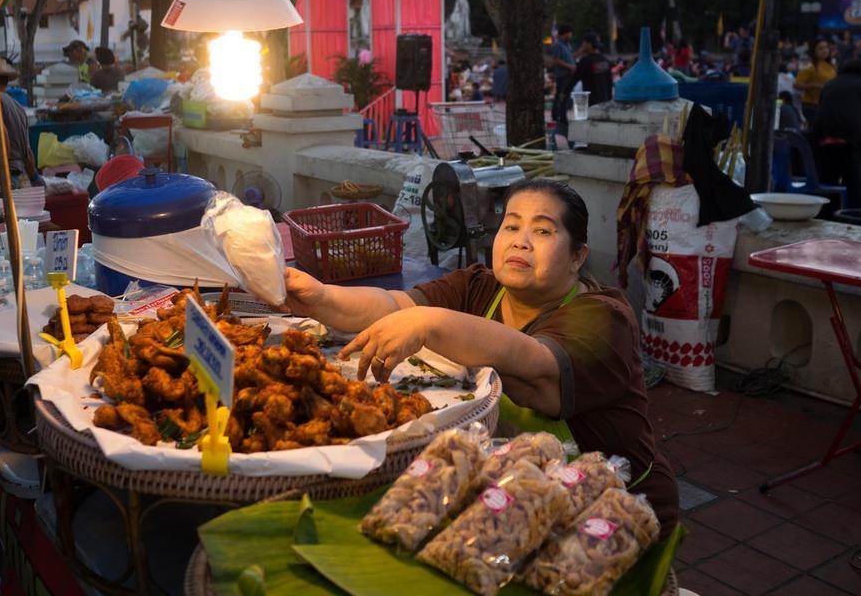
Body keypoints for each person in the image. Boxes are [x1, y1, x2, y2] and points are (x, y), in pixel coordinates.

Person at [282, 178, 680, 537]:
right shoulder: (477, 287)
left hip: (617, 510)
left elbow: (538, 368)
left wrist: (431, 323)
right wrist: (322, 297)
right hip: (526, 500)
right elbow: (391, 304)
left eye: (542, 230)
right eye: (511, 226)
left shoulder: (605, 318)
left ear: (578, 256)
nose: (521, 241)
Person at [812, 59, 861, 208]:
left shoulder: (829, 84)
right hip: (851, 141)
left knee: (828, 183)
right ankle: (851, 217)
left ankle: (827, 216)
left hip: (824, 140)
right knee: (853, 184)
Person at [0, 56, 41, 187]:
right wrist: (35, 177)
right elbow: (27, 152)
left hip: (5, 172)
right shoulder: (17, 105)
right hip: (17, 172)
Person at [794, 37, 837, 124]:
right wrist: (815, 85)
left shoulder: (831, 65)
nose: (825, 51)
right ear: (814, 51)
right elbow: (796, 84)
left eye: (826, 47)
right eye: (820, 48)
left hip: (827, 104)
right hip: (812, 105)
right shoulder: (810, 66)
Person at [573, 32, 613, 105]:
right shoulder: (606, 60)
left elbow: (574, 79)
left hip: (592, 102)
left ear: (589, 44)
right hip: (605, 100)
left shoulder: (585, 61)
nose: (582, 45)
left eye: (584, 43)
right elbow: (609, 82)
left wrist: (563, 92)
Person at [550, 24, 576, 134]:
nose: (571, 35)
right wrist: (569, 66)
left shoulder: (568, 45)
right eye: (570, 33)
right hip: (562, 75)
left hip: (569, 75)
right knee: (561, 95)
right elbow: (556, 60)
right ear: (565, 33)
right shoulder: (557, 45)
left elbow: (571, 56)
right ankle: (557, 116)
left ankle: (563, 116)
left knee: (565, 96)